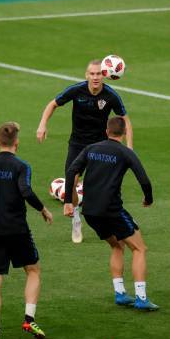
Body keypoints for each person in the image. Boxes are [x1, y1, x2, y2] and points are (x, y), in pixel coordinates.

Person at [64, 116, 158, 310]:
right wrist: (148, 199)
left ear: (106, 131)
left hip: (90, 212)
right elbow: (144, 180)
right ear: (123, 133)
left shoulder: (91, 149)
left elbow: (71, 171)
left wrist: (68, 202)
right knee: (139, 249)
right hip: (112, 210)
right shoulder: (125, 152)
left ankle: (120, 294)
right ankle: (141, 298)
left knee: (117, 246)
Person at [0, 122, 53, 339]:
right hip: (17, 228)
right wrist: (43, 209)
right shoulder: (21, 166)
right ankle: (28, 319)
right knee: (33, 270)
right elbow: (25, 190)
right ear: (17, 142)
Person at [37, 59, 133, 243]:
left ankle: (120, 218)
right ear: (86, 75)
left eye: (99, 73)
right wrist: (42, 125)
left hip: (101, 146)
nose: (95, 77)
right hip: (78, 145)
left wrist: (129, 147)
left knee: (106, 186)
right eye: (92, 73)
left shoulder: (111, 95)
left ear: (104, 75)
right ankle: (76, 219)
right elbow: (52, 104)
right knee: (71, 181)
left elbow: (126, 121)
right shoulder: (76, 90)